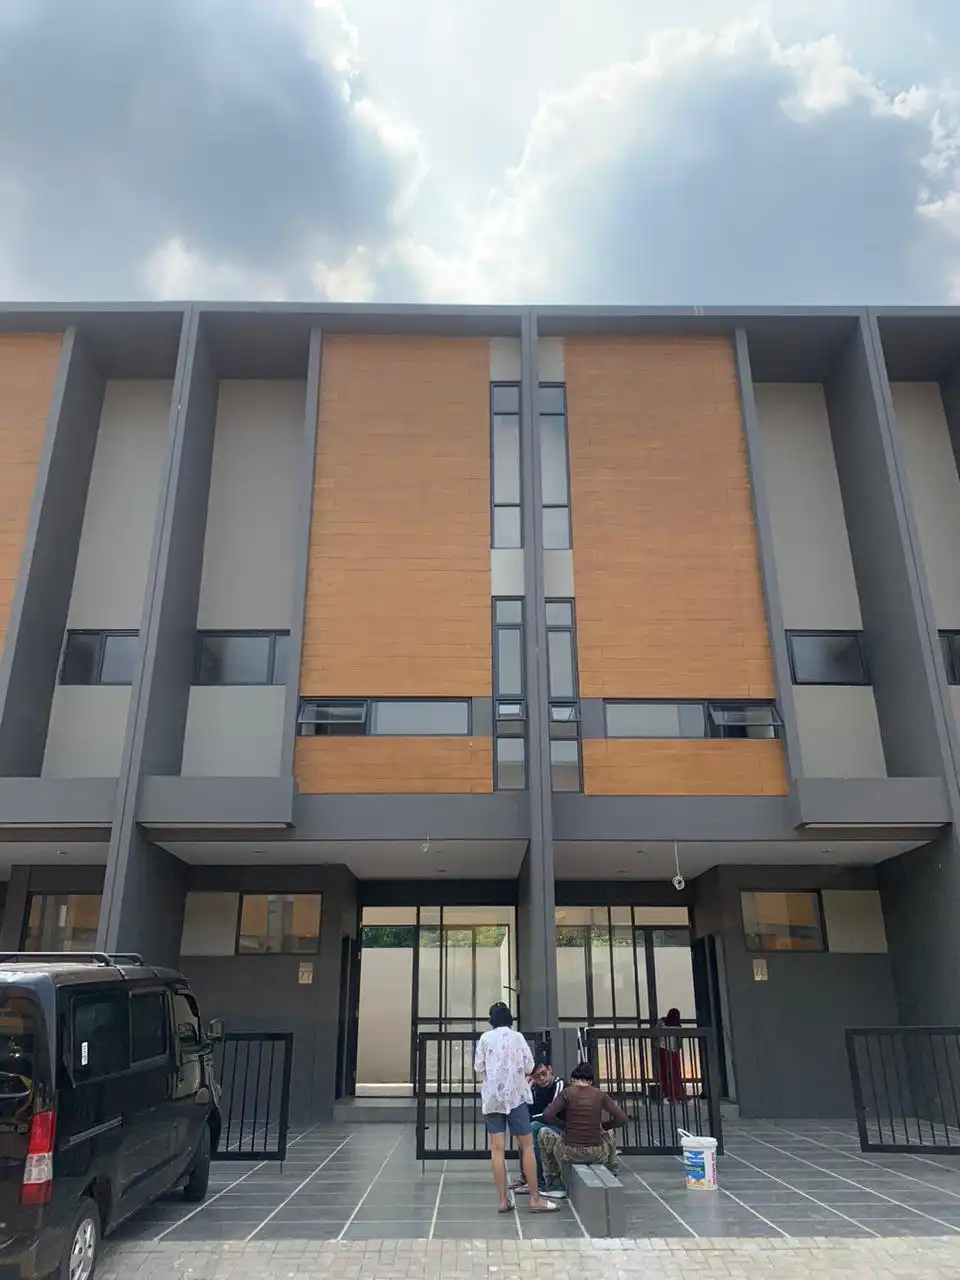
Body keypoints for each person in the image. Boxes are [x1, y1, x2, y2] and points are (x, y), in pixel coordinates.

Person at [473, 1003, 558, 1214]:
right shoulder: (518, 1038)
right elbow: (529, 1067)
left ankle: (503, 1201)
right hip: (516, 1097)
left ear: (491, 1019)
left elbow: (478, 1067)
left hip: (493, 1099)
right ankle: (535, 1198)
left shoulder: (485, 1039)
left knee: (497, 1149)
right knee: (527, 1146)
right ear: (510, 1018)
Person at [538, 1061, 629, 1186]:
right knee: (610, 1131)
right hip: (597, 1154)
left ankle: (553, 1179)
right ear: (590, 1082)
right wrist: (604, 1126)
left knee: (543, 1132)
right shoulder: (600, 1094)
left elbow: (547, 1115)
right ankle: (612, 1169)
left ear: (573, 1080)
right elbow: (623, 1119)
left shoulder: (567, 1092)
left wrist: (565, 1126)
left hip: (569, 1153)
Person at [510, 1062, 566, 1198]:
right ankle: (526, 1177)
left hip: (561, 1126)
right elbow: (525, 1110)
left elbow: (550, 1113)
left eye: (544, 1074)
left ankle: (537, 1182)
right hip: (543, 1124)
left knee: (531, 1127)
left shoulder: (559, 1085)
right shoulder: (535, 1088)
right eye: (537, 1077)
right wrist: (527, 1088)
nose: (542, 1079)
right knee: (524, 1129)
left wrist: (530, 1118)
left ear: (550, 1070)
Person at [656, 1007, 685, 1102]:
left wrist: (656, 1043)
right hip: (673, 1051)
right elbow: (679, 1042)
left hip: (662, 1049)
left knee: (664, 1072)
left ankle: (668, 1093)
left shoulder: (661, 1021)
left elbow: (655, 1033)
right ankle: (677, 1093)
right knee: (675, 1072)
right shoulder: (678, 1026)